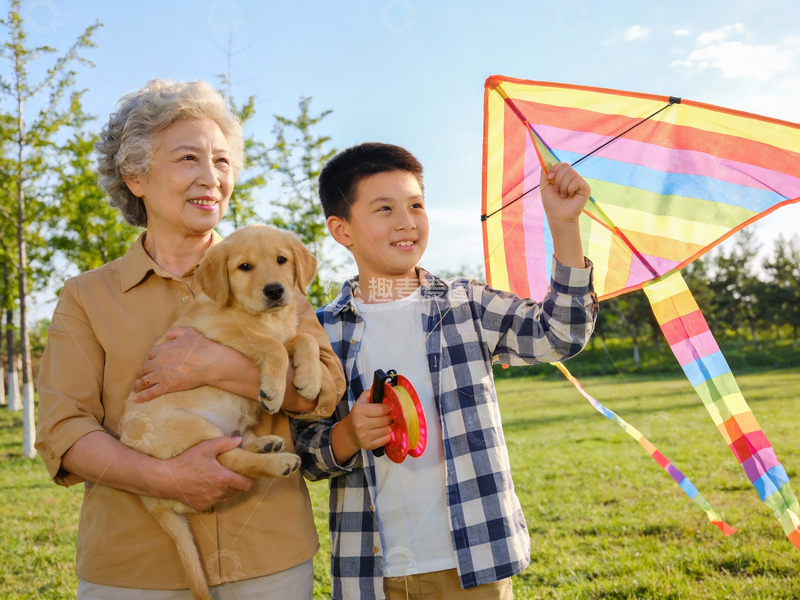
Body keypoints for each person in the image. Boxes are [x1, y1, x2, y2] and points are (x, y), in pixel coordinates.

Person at [35, 79, 345, 599]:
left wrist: (217, 368)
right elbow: (64, 430)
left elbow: (324, 396)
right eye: (188, 158)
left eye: (222, 162)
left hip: (267, 554)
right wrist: (165, 479)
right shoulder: (85, 296)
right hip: (135, 566)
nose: (211, 178)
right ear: (135, 176)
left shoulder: (273, 273)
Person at [292, 142, 598, 600]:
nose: (406, 221)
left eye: (416, 204)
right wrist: (349, 435)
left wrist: (565, 226)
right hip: (372, 572)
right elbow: (305, 449)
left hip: (474, 562)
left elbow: (561, 333)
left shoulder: (466, 304)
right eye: (384, 209)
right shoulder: (322, 332)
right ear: (342, 230)